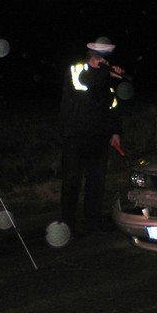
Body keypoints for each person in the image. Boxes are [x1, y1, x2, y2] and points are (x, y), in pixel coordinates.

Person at [58, 40, 125, 236]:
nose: (106, 63)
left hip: (99, 136)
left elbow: (112, 105)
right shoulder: (77, 70)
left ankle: (92, 221)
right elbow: (84, 89)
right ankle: (67, 224)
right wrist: (105, 73)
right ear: (93, 58)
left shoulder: (104, 78)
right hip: (76, 136)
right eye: (102, 60)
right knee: (72, 181)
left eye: (107, 61)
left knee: (97, 181)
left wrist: (115, 132)